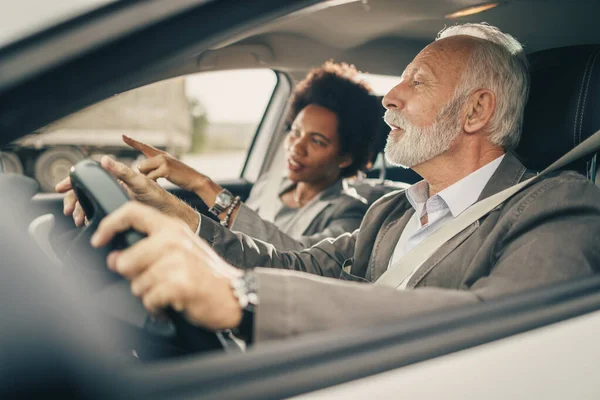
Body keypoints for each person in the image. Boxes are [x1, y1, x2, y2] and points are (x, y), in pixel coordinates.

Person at [75, 23, 600, 342]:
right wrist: (176, 214)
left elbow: (501, 327)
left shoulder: (558, 206)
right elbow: (292, 264)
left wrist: (245, 299)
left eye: (417, 82)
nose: (390, 96)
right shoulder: (392, 212)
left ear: (476, 111)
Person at [58, 62, 382, 252]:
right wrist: (138, 201)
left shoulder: (351, 213)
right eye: (295, 132)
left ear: (345, 157)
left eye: (318, 140)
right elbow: (233, 241)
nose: (296, 146)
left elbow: (294, 257)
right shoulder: (270, 183)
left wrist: (201, 184)